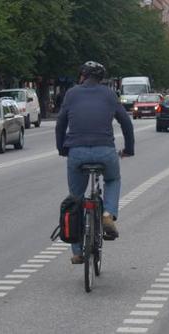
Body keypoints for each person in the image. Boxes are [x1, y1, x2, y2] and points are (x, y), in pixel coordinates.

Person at [56, 61, 135, 264]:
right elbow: (125, 122)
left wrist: (62, 148)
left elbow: (60, 124)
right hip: (105, 151)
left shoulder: (72, 93)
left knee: (75, 199)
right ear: (101, 78)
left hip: (77, 153)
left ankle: (77, 252)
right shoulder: (109, 94)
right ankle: (108, 213)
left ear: (82, 76)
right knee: (113, 179)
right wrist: (128, 149)